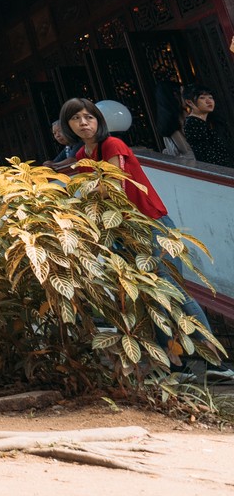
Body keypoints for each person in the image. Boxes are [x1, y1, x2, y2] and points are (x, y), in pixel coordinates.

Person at [61, 98, 229, 378]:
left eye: (89, 117)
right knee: (148, 296)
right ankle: (174, 364)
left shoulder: (112, 145)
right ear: (68, 125)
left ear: (98, 120)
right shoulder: (82, 156)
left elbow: (113, 188)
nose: (84, 123)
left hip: (151, 224)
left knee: (174, 291)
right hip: (123, 231)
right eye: (76, 118)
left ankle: (216, 362)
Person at [179, 86, 233, 170]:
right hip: (220, 171)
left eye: (210, 97)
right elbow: (208, 156)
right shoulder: (193, 124)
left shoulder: (207, 120)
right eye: (202, 98)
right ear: (189, 102)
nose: (209, 101)